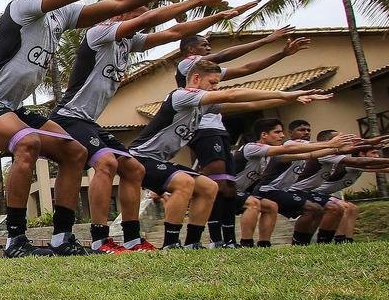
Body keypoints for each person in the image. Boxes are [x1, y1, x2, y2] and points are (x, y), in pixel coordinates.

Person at [0, 0, 223, 257]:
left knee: (75, 153)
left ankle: (62, 239)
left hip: (11, 107)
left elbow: (122, 2)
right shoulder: (24, 6)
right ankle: (15, 241)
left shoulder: (62, 14)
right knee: (28, 142)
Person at [49, 0, 258, 253]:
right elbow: (151, 21)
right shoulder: (99, 33)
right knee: (106, 162)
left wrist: (217, 16)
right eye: (137, 15)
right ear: (120, 11)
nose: (140, 27)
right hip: (69, 115)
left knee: (134, 169)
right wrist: (203, 0)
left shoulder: (128, 42)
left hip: (89, 121)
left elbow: (172, 33)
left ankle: (133, 239)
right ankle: (100, 240)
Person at [128, 60, 334, 249]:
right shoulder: (181, 96)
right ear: (196, 78)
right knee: (184, 182)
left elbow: (249, 105)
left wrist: (291, 98)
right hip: (140, 157)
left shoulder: (203, 105)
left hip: (158, 160)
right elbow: (233, 94)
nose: (215, 87)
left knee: (209, 187)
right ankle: (171, 243)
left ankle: (192, 243)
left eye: (217, 83)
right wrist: (284, 94)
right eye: (212, 82)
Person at [175, 29, 310, 248]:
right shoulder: (187, 65)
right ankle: (205, 232)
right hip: (201, 129)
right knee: (216, 182)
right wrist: (266, 40)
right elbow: (224, 55)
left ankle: (228, 240)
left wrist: (281, 54)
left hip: (218, 130)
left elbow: (247, 68)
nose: (209, 48)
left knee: (228, 186)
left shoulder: (209, 71)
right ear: (191, 50)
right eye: (204, 45)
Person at [289, 131, 389, 243]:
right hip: (307, 193)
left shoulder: (341, 158)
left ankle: (344, 241)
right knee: (341, 207)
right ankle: (328, 243)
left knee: (350, 208)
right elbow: (387, 166)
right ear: (362, 154)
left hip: (315, 194)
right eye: (373, 153)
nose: (376, 156)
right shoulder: (345, 161)